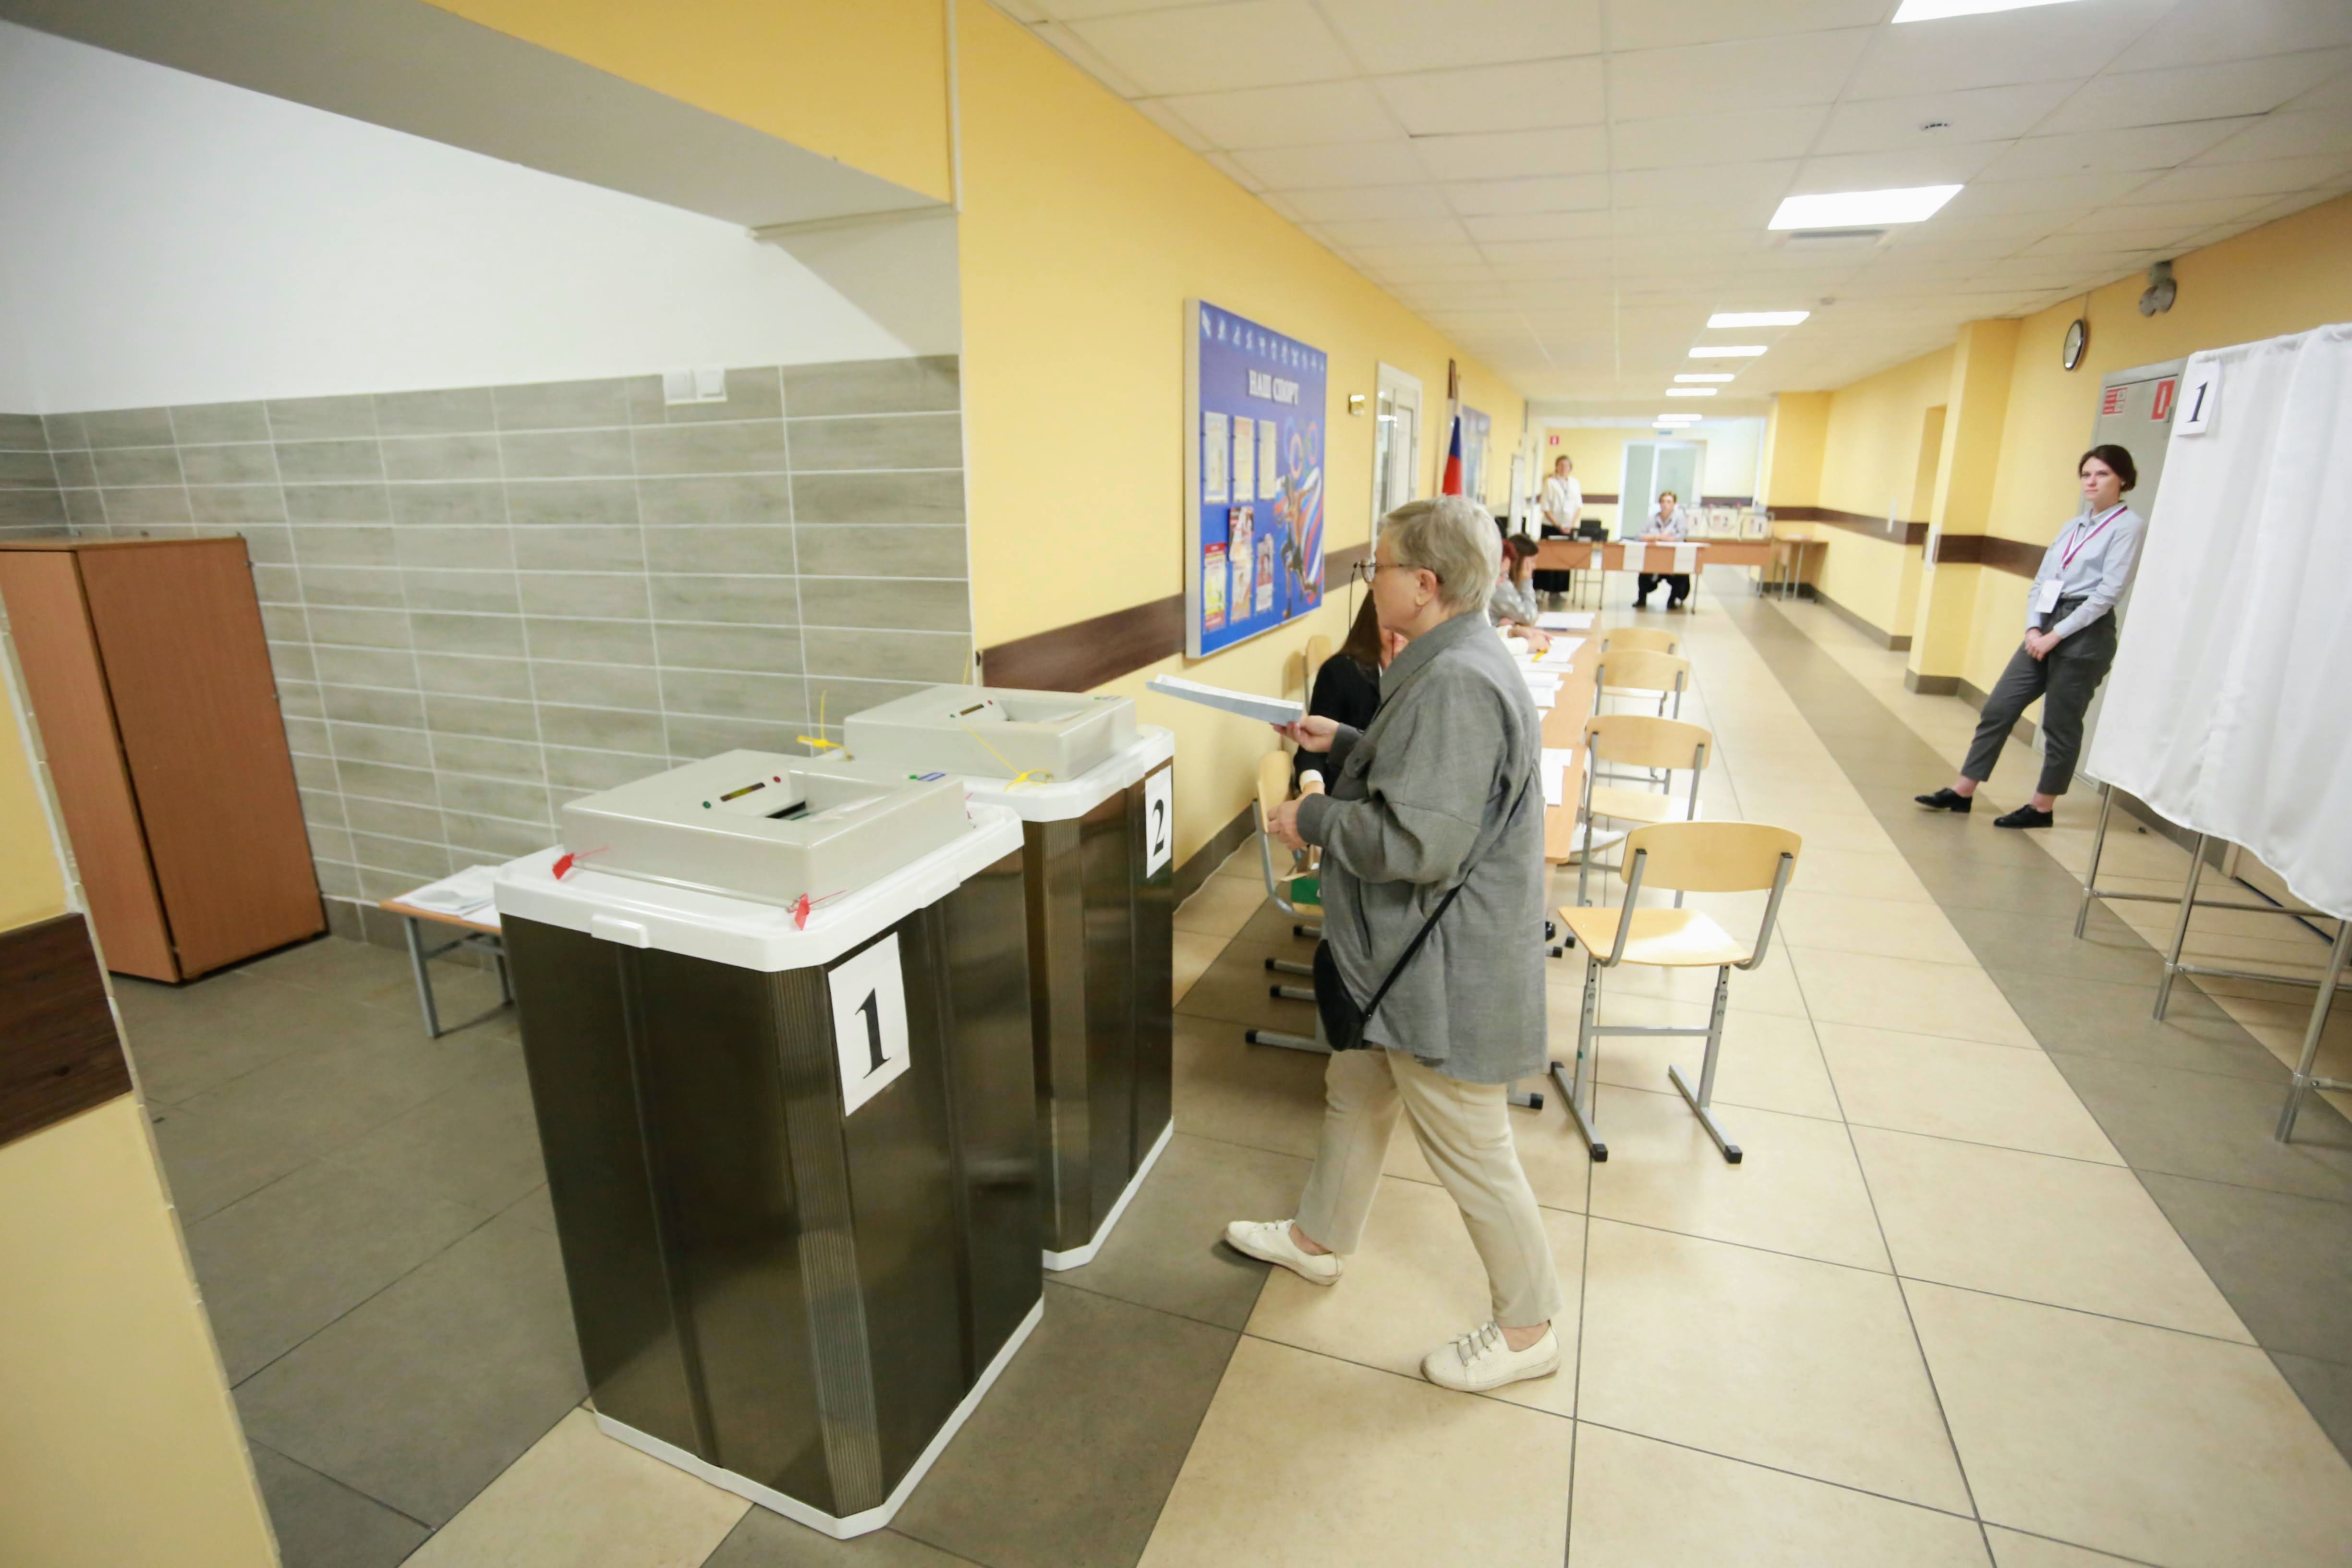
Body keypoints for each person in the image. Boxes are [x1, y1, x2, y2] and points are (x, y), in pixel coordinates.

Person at [1225, 494, 1561, 1395]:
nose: (1369, 579)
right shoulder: (1456, 656)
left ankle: (1527, 1329)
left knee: (1473, 1149)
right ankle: (1319, 1238)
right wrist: (1346, 740)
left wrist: (1310, 818)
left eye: (1378, 566)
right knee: (1356, 1089)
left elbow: (1418, 842)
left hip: (1437, 965)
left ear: (1424, 581)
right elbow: (1431, 776)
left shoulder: (1455, 680)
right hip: (1403, 958)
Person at [1916, 445, 2146, 829]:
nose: (2091, 481)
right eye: (2086, 474)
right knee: (1999, 707)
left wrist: (2056, 636)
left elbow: (2107, 594)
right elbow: (2042, 581)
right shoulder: (2072, 526)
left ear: (2123, 478)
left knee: (2060, 723)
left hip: (2085, 631)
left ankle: (2042, 807)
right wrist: (2033, 628)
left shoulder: (2128, 527)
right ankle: (1963, 791)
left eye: (2102, 474)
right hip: (2046, 622)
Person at [1296, 595, 1400, 784]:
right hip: (1349, 788)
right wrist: (1313, 786)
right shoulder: (1340, 671)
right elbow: (1311, 750)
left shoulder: (1427, 672)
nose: (1397, 632)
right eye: (1390, 620)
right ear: (1371, 619)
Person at [1488, 534, 1551, 652]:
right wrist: (1526, 582)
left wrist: (1511, 630)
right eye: (1532, 562)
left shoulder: (1502, 580)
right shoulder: (1501, 586)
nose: (1534, 567)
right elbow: (1530, 616)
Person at [1633, 488, 1692, 611]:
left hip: (1673, 559)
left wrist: (1668, 539)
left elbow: (1681, 537)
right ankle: (1641, 600)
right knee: (1644, 573)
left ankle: (1672, 601)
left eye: (1669, 502)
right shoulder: (1652, 518)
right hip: (1654, 559)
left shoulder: (1680, 518)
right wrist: (1659, 537)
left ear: (1674, 504)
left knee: (1682, 574)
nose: (1665, 504)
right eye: (1663, 501)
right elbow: (1639, 536)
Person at [1534, 455, 1582, 601]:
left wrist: (1572, 525)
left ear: (1571, 468)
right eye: (1561, 465)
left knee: (1564, 558)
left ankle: (1559, 589)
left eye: (1567, 465)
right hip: (1551, 525)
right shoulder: (1550, 483)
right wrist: (1558, 525)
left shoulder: (1575, 483)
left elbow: (1579, 506)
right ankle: (1543, 588)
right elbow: (1546, 507)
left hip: (1569, 526)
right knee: (1549, 557)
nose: (1564, 468)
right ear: (1556, 466)